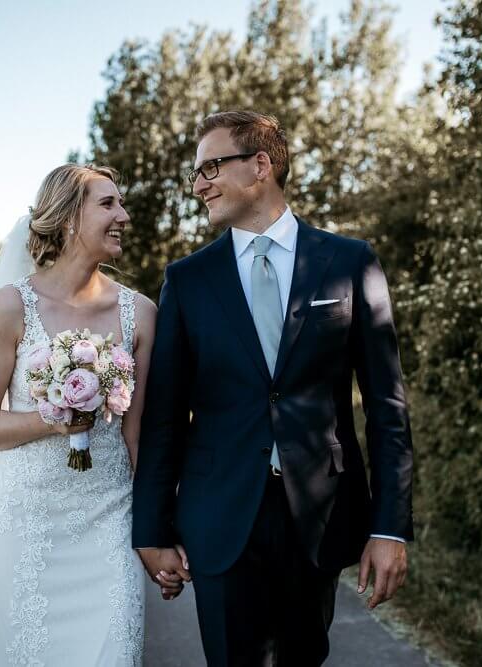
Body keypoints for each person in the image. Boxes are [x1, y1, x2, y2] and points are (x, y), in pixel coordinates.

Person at [133, 111, 415, 665]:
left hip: (318, 514)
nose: (199, 185)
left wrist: (391, 529)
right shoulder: (187, 280)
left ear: (260, 165)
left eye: (211, 167)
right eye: (196, 173)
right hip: (218, 514)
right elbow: (164, 416)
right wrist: (153, 528)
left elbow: (387, 408)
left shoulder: (349, 263)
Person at [0, 164, 164, 666]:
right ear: (68, 217)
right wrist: (54, 421)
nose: (123, 215)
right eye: (108, 204)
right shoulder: (11, 307)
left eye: (121, 203)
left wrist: (155, 533)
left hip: (109, 521)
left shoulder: (140, 314)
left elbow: (139, 437)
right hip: (24, 524)